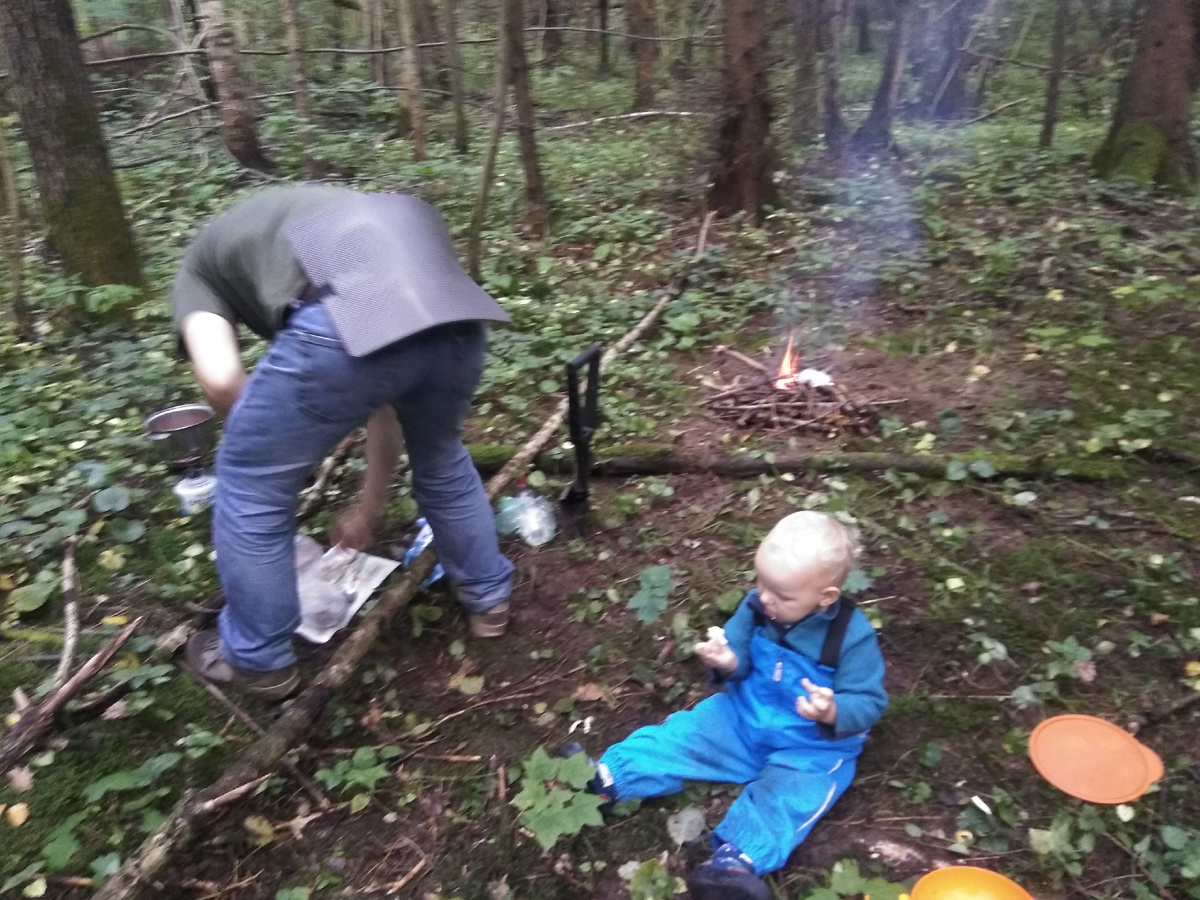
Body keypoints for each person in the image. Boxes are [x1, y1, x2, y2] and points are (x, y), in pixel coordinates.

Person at [172, 184, 516, 700]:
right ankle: (489, 600)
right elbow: (384, 398)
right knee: (443, 458)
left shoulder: (196, 268)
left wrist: (278, 454)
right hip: (456, 317)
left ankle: (258, 659)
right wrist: (366, 511)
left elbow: (220, 381)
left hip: (343, 314)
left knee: (248, 484)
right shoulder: (314, 219)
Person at [572, 511, 887, 900]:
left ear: (826, 598)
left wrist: (832, 711)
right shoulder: (759, 607)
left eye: (782, 595)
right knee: (686, 734)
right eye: (761, 583)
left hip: (811, 746)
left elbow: (870, 702)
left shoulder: (851, 638)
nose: (764, 597)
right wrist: (726, 661)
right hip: (744, 718)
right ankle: (607, 779)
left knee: (792, 795)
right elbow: (738, 652)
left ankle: (735, 863)